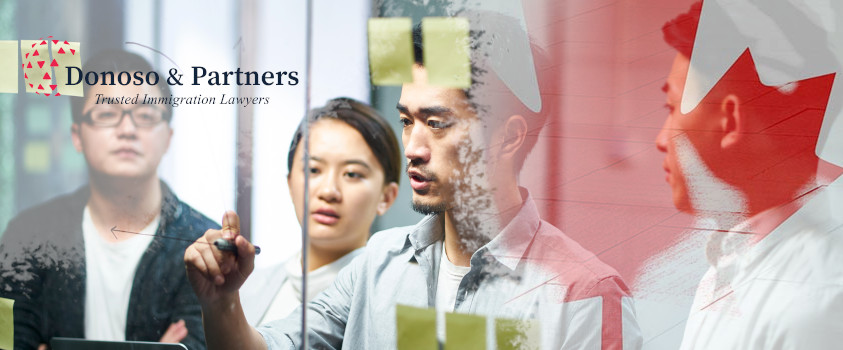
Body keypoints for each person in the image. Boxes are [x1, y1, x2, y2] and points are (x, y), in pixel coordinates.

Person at [185, 11, 641, 349]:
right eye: (407, 121)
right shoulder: (378, 265)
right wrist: (222, 302)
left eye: (437, 123)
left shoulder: (583, 292)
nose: (413, 147)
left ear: (508, 138)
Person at [0, 50, 217, 350]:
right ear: (77, 135)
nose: (127, 130)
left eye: (145, 115)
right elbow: (10, 342)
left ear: (168, 136)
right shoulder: (28, 236)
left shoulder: (201, 243)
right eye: (106, 114)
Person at [656, 3, 843, 348]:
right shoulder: (726, 271)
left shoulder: (813, 302)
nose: (660, 140)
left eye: (673, 109)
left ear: (730, 121)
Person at [239, 98, 400, 325]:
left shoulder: (396, 300)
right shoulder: (244, 290)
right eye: (313, 169)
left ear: (386, 197)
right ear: (289, 183)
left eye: (352, 174)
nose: (329, 191)